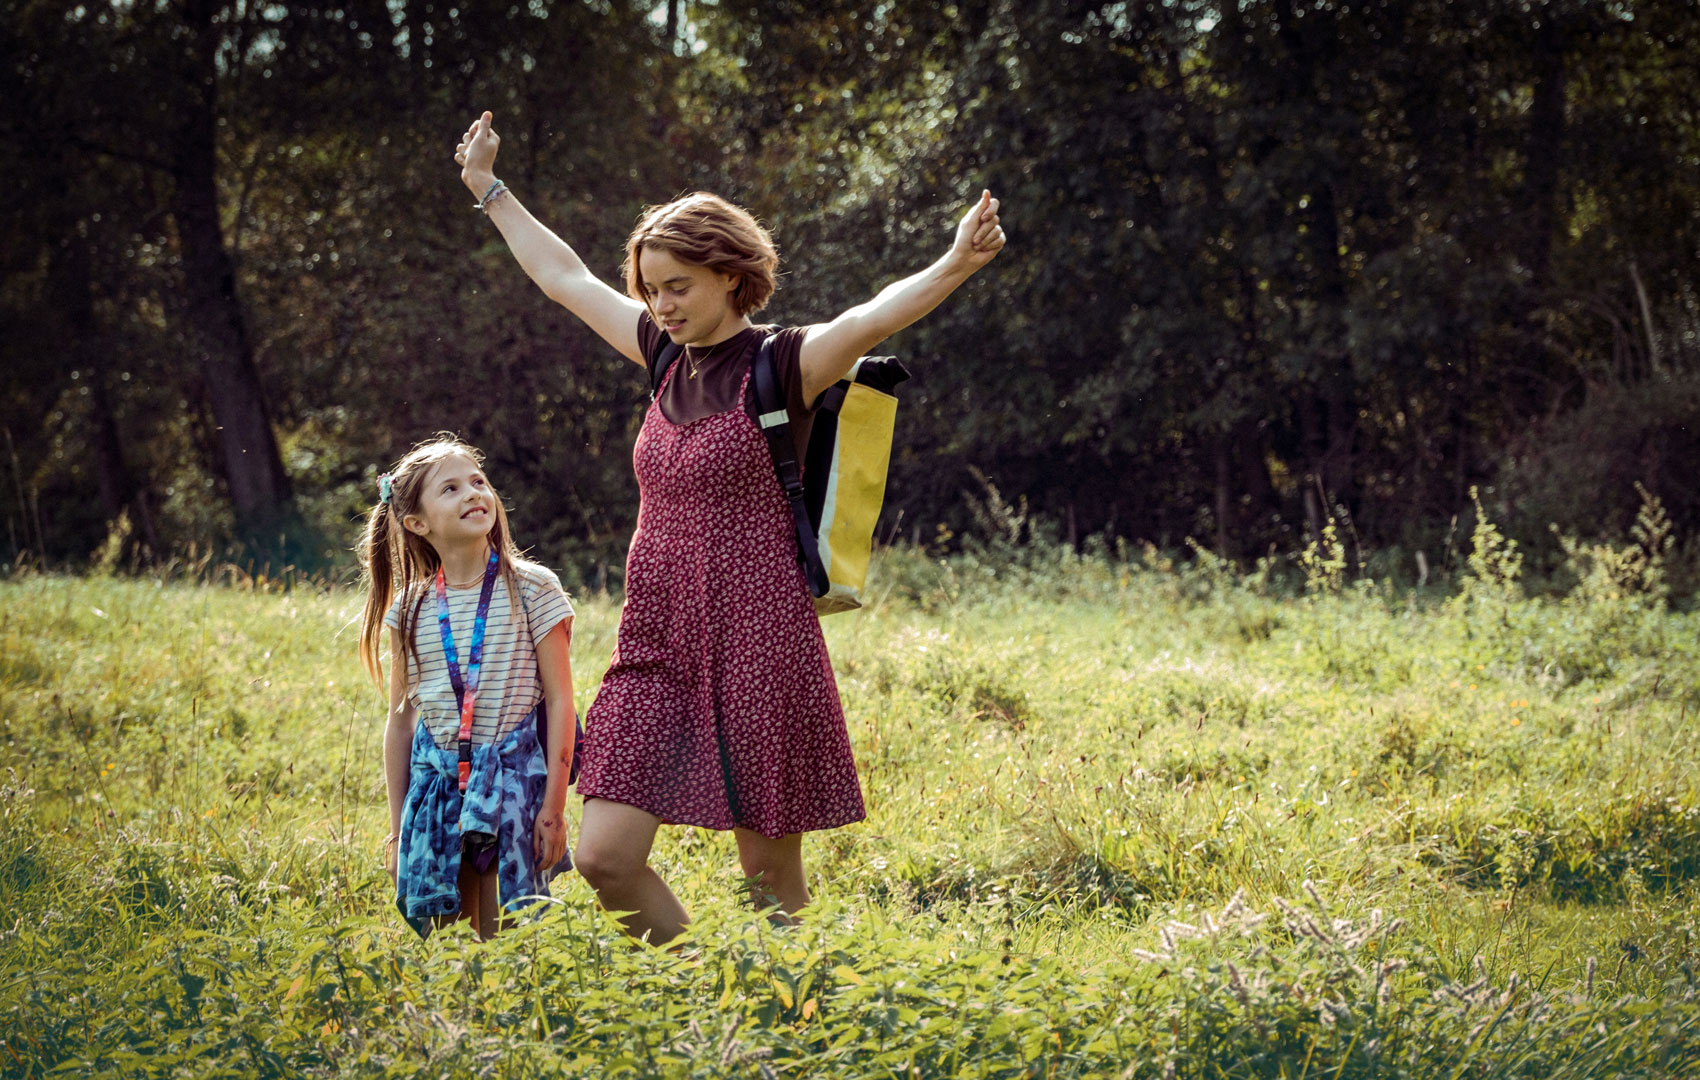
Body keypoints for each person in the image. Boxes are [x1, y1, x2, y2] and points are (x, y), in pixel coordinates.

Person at [453, 110, 1005, 944]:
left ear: (730, 276)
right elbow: (563, 277)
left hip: (759, 636)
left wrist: (956, 262)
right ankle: (699, 989)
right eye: (651, 287)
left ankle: (774, 1025)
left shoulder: (782, 364)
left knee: (769, 878)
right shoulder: (663, 356)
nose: (661, 304)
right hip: (657, 640)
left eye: (679, 285)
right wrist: (489, 189)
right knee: (603, 854)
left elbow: (871, 318)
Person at [358, 435, 579, 939]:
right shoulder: (409, 609)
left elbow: (562, 701)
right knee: (449, 943)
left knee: (509, 937)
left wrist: (554, 807)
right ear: (417, 523)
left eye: (479, 482)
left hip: (513, 786)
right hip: (436, 791)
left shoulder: (534, 588)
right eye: (451, 488)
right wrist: (397, 830)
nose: (473, 494)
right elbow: (399, 724)